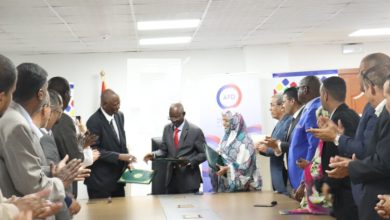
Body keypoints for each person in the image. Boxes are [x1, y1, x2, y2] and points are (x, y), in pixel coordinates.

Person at [301, 53, 390, 206]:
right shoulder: (371, 107)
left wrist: (338, 138)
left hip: (375, 192)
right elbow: (366, 147)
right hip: (365, 190)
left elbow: (375, 156)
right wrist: (340, 136)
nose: (358, 78)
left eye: (360, 73)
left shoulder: (380, 111)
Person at [0, 55, 62, 220]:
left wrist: (49, 171)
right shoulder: (16, 124)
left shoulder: (14, 119)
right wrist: (60, 181)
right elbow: (31, 184)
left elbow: (18, 167)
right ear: (41, 94)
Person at [327, 65, 390, 220]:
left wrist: (351, 165)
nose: (386, 102)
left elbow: (383, 162)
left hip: (379, 191)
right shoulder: (377, 111)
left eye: (388, 95)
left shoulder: (384, 114)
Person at [307, 77, 360, 219]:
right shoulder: (349, 113)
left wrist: (328, 183)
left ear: (325, 95)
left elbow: (346, 153)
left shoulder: (340, 117)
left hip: (345, 191)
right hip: (343, 188)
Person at [144, 103, 206, 194]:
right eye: (171, 118)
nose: (174, 120)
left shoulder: (195, 131)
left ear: (184, 114)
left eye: (177, 117)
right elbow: (164, 150)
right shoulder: (167, 129)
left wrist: (189, 161)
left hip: (189, 181)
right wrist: (153, 154)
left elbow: (204, 154)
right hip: (171, 181)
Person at [86, 89, 136, 199]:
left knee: (121, 215)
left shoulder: (119, 115)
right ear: (104, 104)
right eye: (115, 104)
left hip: (118, 180)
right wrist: (120, 156)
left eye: (119, 103)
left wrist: (127, 160)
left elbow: (121, 141)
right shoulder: (93, 122)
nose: (118, 107)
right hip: (100, 182)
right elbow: (95, 151)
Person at [288, 76, 321, 190]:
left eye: (298, 88)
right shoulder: (308, 108)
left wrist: (305, 180)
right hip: (299, 176)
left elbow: (314, 146)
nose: (297, 92)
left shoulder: (314, 110)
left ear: (305, 90)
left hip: (305, 177)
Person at [215, 111, 262, 192]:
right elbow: (220, 152)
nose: (223, 123)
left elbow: (246, 167)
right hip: (226, 186)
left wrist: (229, 169)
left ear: (235, 121)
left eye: (226, 121)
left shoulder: (246, 140)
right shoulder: (225, 137)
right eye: (223, 120)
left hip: (246, 191)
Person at [256, 94, 290, 194]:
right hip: (277, 175)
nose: (270, 109)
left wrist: (265, 149)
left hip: (283, 174)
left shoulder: (287, 123)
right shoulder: (280, 123)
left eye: (272, 105)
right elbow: (274, 145)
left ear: (282, 106)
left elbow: (282, 147)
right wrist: (263, 146)